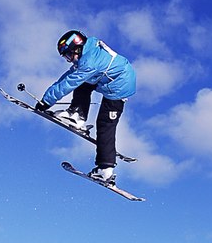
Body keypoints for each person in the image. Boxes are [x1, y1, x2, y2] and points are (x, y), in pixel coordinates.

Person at [35, 29, 136, 184]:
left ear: (77, 47)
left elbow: (69, 82)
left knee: (105, 125)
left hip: (119, 87)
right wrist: (46, 99)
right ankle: (77, 115)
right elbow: (68, 77)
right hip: (107, 80)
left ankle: (105, 170)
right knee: (82, 84)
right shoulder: (89, 52)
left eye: (69, 55)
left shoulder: (89, 62)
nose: (69, 60)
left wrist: (47, 102)